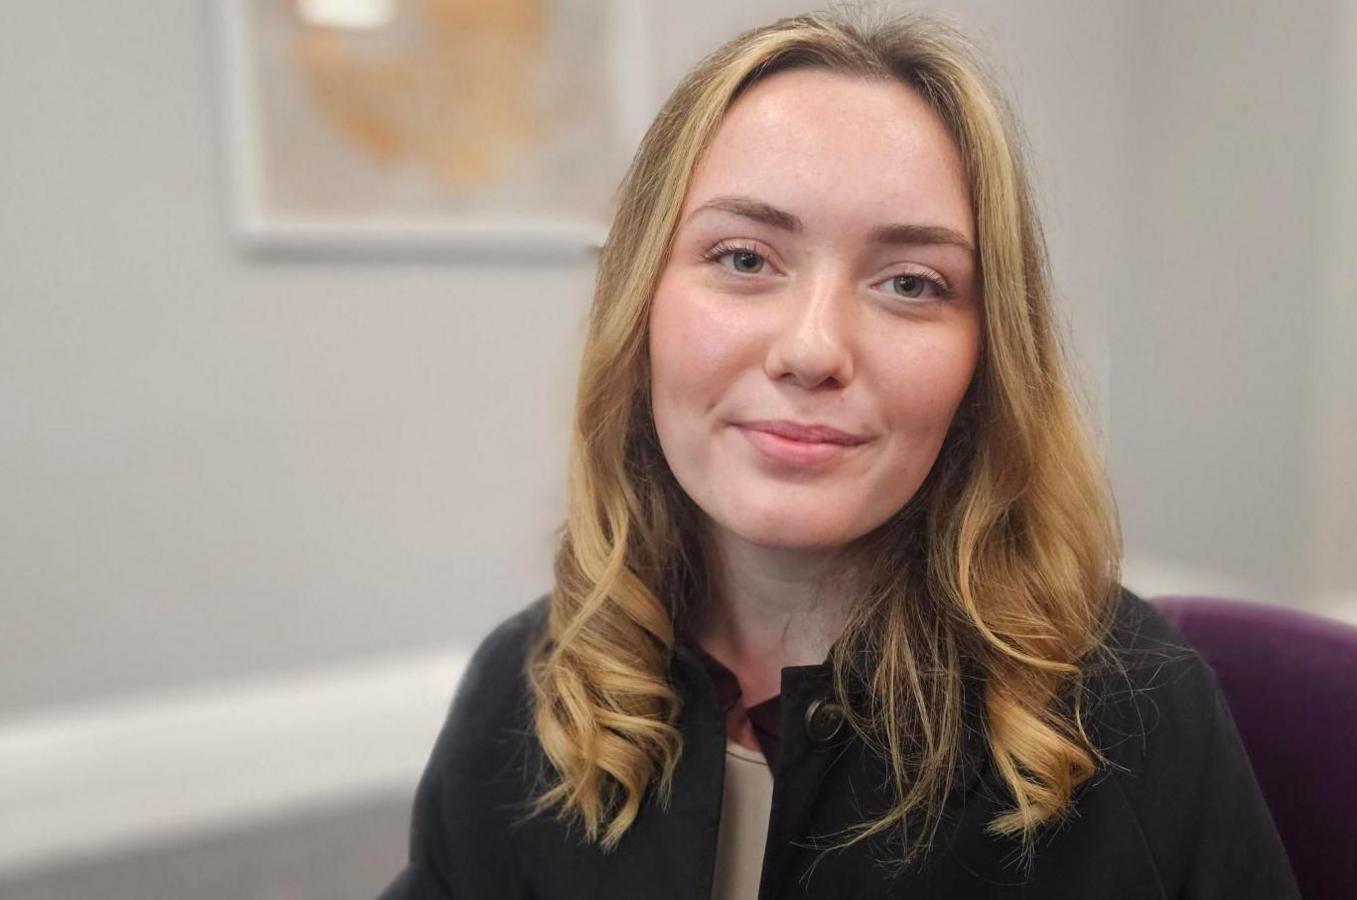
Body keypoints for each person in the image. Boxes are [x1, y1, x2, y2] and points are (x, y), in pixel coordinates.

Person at [381, 6, 1299, 898]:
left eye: (911, 283)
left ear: (987, 359)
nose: (813, 349)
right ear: (640, 304)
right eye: (745, 259)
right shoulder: (523, 687)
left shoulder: (1135, 723)